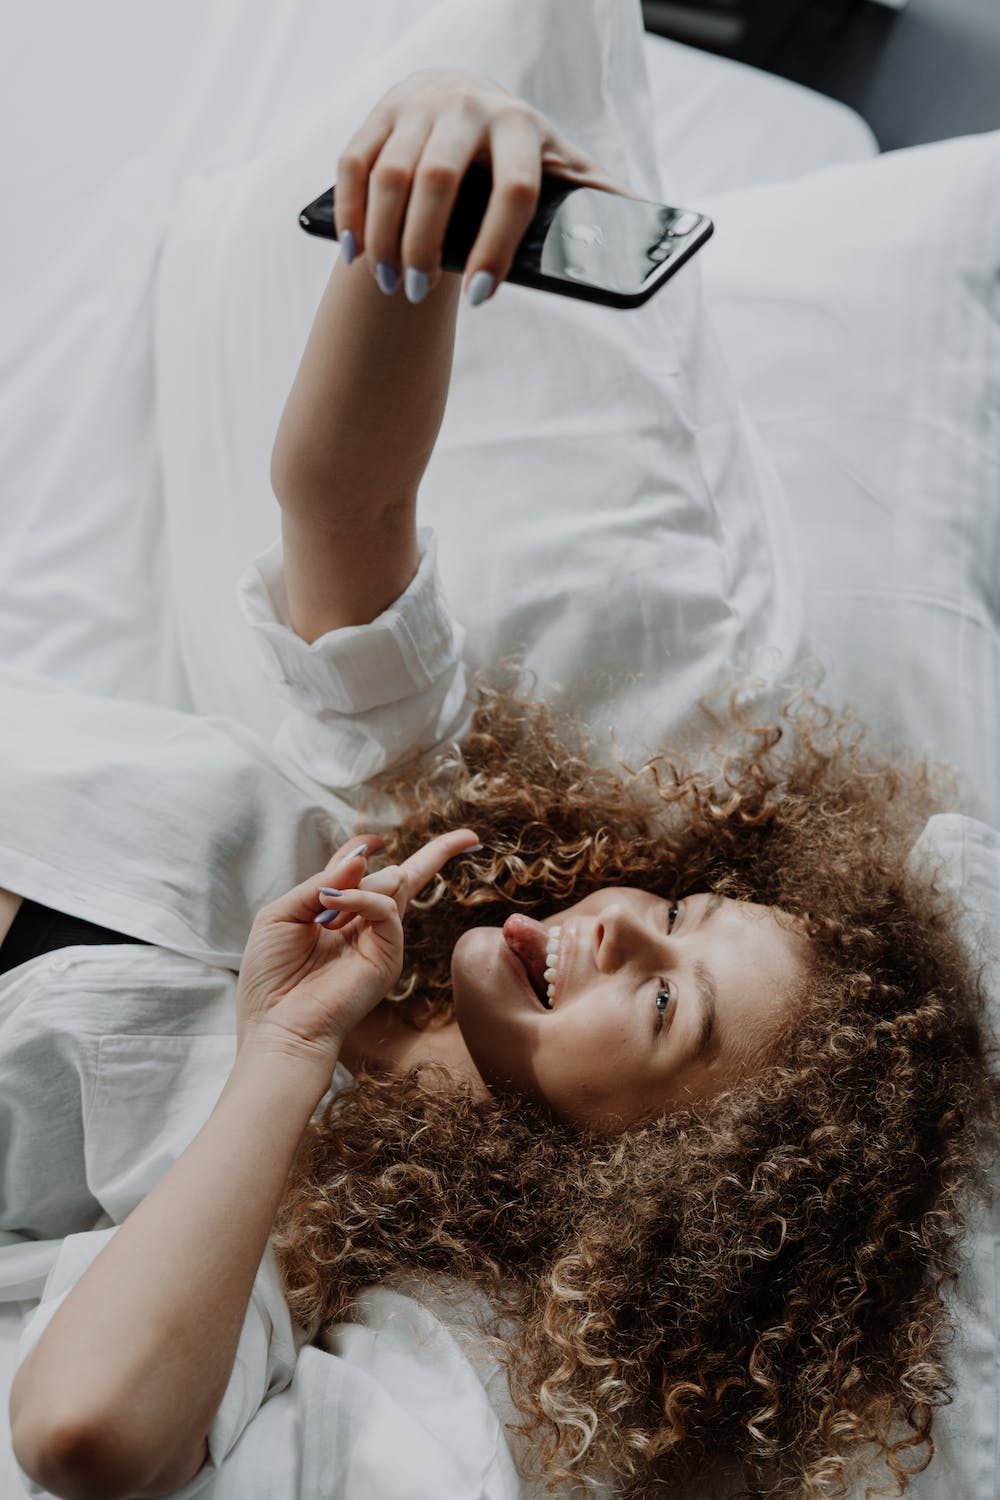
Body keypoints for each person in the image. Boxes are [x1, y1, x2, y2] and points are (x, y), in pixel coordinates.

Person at [8, 67, 1000, 1500]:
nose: (623, 925)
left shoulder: (356, 1263)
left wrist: (285, 1053)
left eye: (664, 1005)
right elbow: (342, 509)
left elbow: (84, 1436)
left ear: (668, 1179)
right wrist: (415, 225)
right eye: (681, 903)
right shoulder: (432, 835)